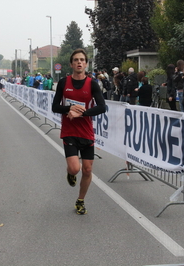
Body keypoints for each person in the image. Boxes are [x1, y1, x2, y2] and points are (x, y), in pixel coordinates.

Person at [52, 48, 106, 215]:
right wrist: (69, 109)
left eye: (82, 59)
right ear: (71, 64)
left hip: (86, 131)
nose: (79, 62)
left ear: (86, 64)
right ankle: (70, 173)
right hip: (69, 131)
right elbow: (55, 106)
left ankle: (80, 200)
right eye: (76, 60)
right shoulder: (63, 83)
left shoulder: (92, 84)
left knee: (88, 170)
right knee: (75, 168)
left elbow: (102, 107)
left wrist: (82, 113)